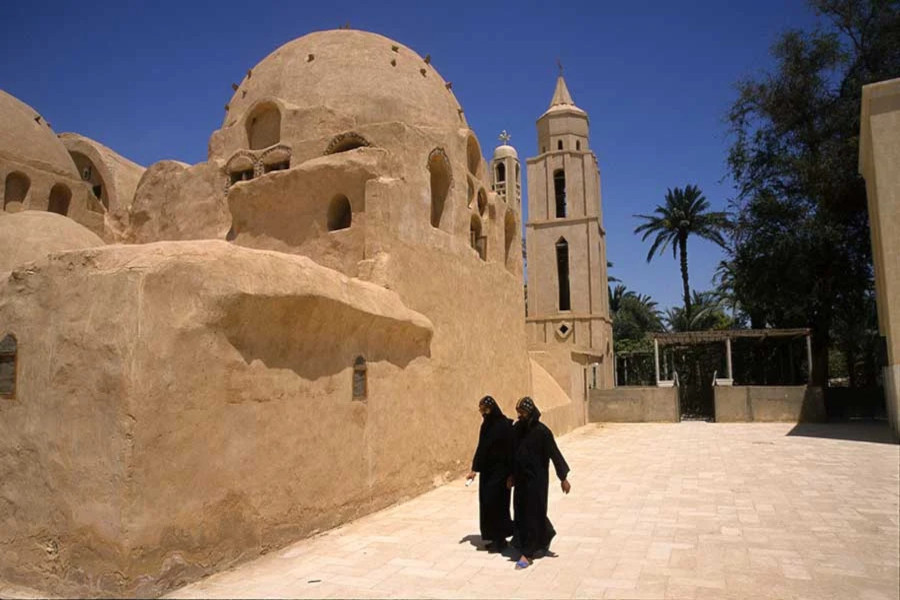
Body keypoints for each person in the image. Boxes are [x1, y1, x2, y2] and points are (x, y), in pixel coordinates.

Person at [510, 396, 570, 569]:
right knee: (521, 511)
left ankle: (527, 554)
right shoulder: (517, 429)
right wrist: (511, 475)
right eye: (518, 412)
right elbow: (512, 454)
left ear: (530, 412)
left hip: (537, 481)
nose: (520, 415)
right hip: (521, 479)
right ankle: (541, 536)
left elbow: (555, 454)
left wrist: (563, 478)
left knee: (533, 512)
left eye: (522, 412)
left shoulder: (542, 432)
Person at [467, 395, 514, 551]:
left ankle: (500, 540)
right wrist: (474, 469)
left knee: (499, 505)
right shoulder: (486, 425)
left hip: (501, 474)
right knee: (487, 504)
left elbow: (511, 452)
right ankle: (492, 536)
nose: (483, 413)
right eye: (481, 410)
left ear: (492, 408)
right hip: (488, 474)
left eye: (485, 409)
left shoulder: (505, 425)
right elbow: (482, 448)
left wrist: (511, 474)